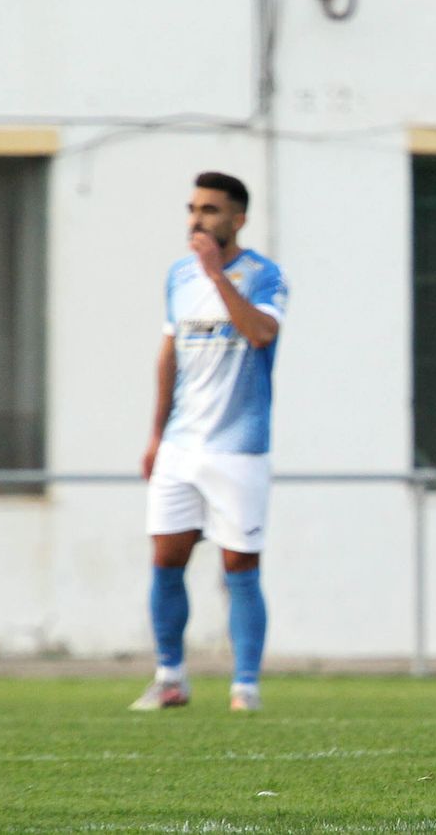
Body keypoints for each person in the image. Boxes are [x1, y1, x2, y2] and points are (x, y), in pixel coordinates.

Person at [130, 171, 289, 713]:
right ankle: (170, 678)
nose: (198, 219)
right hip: (180, 446)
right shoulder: (177, 276)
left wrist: (218, 277)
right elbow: (168, 354)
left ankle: (245, 686)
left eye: (211, 210)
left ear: (238, 218)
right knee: (165, 558)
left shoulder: (264, 276)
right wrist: (155, 435)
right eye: (193, 209)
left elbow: (261, 333)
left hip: (238, 448)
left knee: (239, 566)